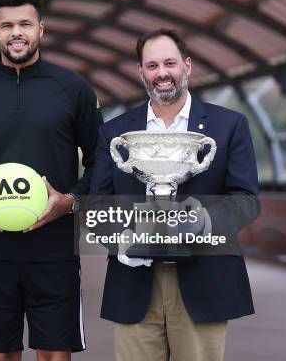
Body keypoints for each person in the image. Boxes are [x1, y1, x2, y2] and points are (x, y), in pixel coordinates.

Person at [0, 0, 101, 361]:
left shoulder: (74, 89)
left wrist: (69, 202)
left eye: (25, 24)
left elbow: (103, 161)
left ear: (41, 29)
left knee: (54, 353)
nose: (17, 32)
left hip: (55, 248)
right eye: (7, 25)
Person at [90, 28, 259, 361]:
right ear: (141, 72)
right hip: (134, 282)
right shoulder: (115, 132)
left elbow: (246, 200)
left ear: (187, 66)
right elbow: (97, 203)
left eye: (169, 63)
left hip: (203, 281)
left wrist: (199, 223)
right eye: (152, 66)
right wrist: (123, 239)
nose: (162, 73)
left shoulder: (229, 125)